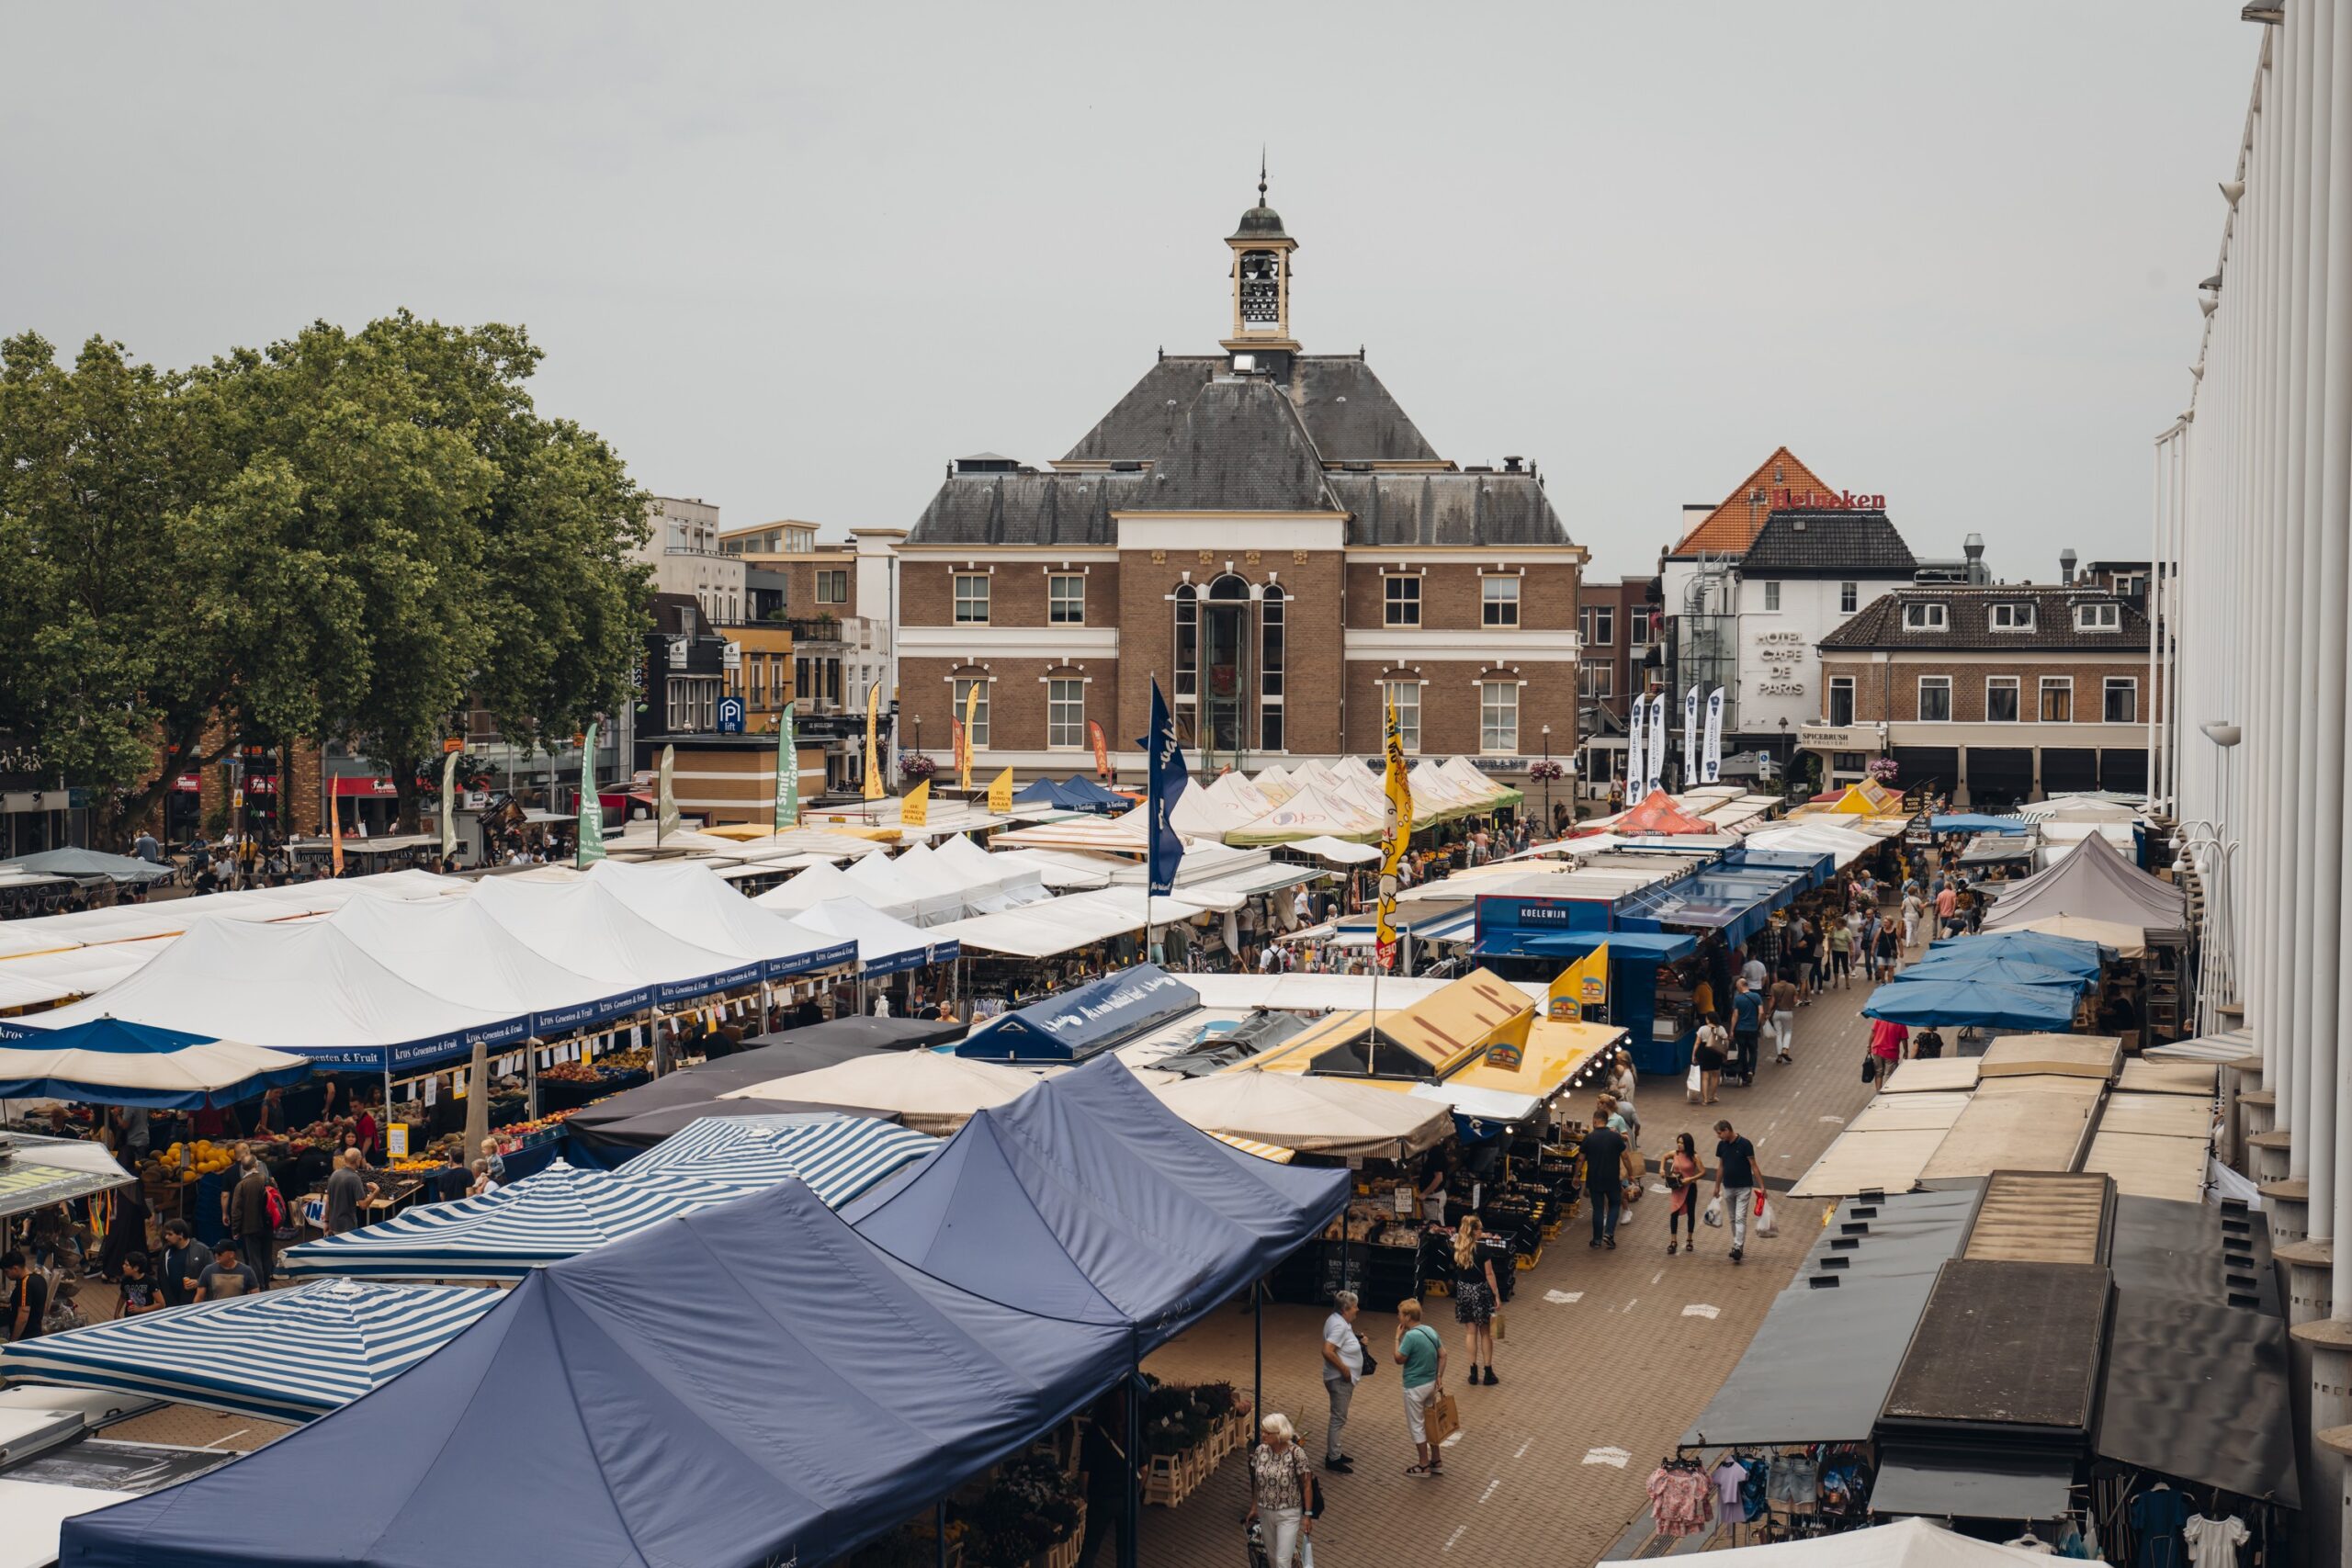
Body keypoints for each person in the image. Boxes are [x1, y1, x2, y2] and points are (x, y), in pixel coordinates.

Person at [1246, 1413, 1317, 1567]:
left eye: (1268, 1432)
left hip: (1288, 1513)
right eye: (1263, 1431)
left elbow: (1307, 1484)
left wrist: (1308, 1515)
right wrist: (1254, 1507)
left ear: (1280, 1433)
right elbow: (1257, 1482)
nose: (1263, 1435)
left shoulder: (1296, 1453)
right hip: (1265, 1512)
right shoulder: (1260, 1451)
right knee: (1272, 1558)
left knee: (1282, 1560)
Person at [1395, 1299, 1447, 1478]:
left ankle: (1423, 1465)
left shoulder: (1410, 1337)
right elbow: (1443, 1355)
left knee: (1417, 1425)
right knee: (1430, 1421)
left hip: (1414, 1387)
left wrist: (1397, 1338)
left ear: (1408, 1317)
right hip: (1430, 1385)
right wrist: (1439, 1376)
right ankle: (1436, 1460)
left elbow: (1398, 1358)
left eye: (1400, 1314)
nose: (1398, 1317)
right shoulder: (1430, 1330)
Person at [1319, 1290, 1365, 1472]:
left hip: (1339, 1379)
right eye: (1355, 1307)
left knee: (1338, 1417)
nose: (1357, 1309)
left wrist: (1357, 1341)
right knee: (1338, 1418)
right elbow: (1327, 1350)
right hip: (1339, 1379)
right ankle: (1333, 1458)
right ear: (1346, 1309)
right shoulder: (1339, 1325)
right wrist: (1344, 1369)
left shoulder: (1338, 1321)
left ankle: (1335, 1451)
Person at [1452, 1215, 1501, 1383]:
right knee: (1486, 1333)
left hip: (1464, 1291)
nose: (1482, 1231)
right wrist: (1496, 1295)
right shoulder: (1483, 1249)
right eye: (1480, 1229)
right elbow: (1489, 1274)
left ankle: (1473, 1373)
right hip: (1481, 1292)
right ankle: (1488, 1372)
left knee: (1470, 1332)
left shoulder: (1457, 1247)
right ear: (1473, 1231)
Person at [1712, 1118, 1760, 1265]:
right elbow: (1721, 1166)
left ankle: (1738, 1246)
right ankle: (1737, 1244)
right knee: (1733, 1218)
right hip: (1728, 1186)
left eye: (1719, 1133)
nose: (1718, 1136)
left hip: (1744, 1187)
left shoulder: (1745, 1144)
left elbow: (1754, 1165)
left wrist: (1762, 1186)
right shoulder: (1722, 1145)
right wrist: (1717, 1186)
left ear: (1727, 1130)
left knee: (1740, 1217)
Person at [1582, 1111, 1629, 1250]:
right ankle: (1609, 1234)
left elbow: (1580, 1159)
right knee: (1614, 1204)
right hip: (1612, 1179)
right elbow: (1625, 1157)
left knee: (1598, 1208)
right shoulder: (1615, 1137)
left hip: (1594, 1179)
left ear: (1595, 1120)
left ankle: (1597, 1240)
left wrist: (1576, 1176)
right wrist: (1631, 1173)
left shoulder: (1589, 1138)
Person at [1665, 1133, 1705, 1256]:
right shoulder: (1675, 1154)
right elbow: (1664, 1157)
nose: (1679, 1145)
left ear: (1688, 1144)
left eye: (1682, 1143)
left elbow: (1703, 1172)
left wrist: (1691, 1179)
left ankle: (1689, 1239)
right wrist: (1661, 1169)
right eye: (1678, 1142)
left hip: (1690, 1188)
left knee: (1691, 1213)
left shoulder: (1694, 1156)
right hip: (1677, 1188)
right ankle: (1673, 1241)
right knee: (1674, 1213)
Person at [157, 1221, 212, 1309]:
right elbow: (161, 1277)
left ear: (181, 1235)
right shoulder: (165, 1252)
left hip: (195, 1304)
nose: (166, 1237)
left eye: (170, 1234)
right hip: (171, 1304)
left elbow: (213, 1274)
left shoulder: (202, 1250)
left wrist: (198, 1282)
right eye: (166, 1234)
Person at [324, 1148, 379, 1235]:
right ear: (358, 1160)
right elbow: (363, 1205)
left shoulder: (334, 1174)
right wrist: (375, 1192)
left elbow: (328, 1201)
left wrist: (326, 1221)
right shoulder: (354, 1178)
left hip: (333, 1225)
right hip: (347, 1226)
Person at [2, 1249, 49, 1342]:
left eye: (6, 1272)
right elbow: (42, 1305)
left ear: (15, 1268)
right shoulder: (40, 1279)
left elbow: (23, 1318)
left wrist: (13, 1341)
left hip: (25, 1336)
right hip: (36, 1332)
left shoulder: (25, 1284)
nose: (6, 1275)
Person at [194, 1240, 259, 1301]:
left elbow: (256, 1296)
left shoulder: (247, 1271)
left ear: (231, 1254)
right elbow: (199, 1297)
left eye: (219, 1253)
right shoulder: (208, 1270)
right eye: (215, 1252)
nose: (216, 1255)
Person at [1729, 979, 1761, 1084]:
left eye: (1737, 986)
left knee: (1742, 1052)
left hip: (1740, 1029)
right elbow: (1761, 1012)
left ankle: (1744, 1074)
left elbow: (1735, 1015)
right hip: (1753, 1029)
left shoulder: (1737, 999)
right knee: (1753, 1051)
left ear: (1741, 986)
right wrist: (1757, 1024)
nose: (1737, 989)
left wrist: (1732, 1030)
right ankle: (1751, 1070)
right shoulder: (1756, 996)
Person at [1691, 1013, 1727, 1106]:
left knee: (1705, 1077)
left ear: (1708, 1019)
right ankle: (1712, 1096)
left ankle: (1705, 1099)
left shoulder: (1702, 1029)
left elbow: (1697, 1043)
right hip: (1716, 1052)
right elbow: (1726, 1041)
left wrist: (1693, 1055)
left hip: (1704, 1051)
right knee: (1715, 1076)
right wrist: (1725, 1054)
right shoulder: (1721, 1029)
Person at [1868, 1015, 1911, 1091]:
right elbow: (1904, 1039)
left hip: (1877, 1050)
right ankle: (1887, 1093)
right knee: (1889, 1075)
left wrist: (1869, 1045)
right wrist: (1906, 1051)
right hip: (1891, 1053)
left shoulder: (1880, 1018)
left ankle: (1878, 1092)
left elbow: (1873, 1032)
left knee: (1878, 1072)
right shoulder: (1900, 1022)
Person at [116, 1252, 164, 1317]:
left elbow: (161, 1304)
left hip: (146, 1318)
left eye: (127, 1265)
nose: (123, 1266)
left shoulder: (150, 1282)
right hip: (129, 1317)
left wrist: (141, 1309)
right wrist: (117, 1313)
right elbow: (123, 1296)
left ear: (136, 1268)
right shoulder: (125, 1280)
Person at [1767, 972, 1798, 1065]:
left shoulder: (1774, 986)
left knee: (1778, 1034)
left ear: (1779, 976)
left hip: (1777, 1012)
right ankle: (1785, 1049)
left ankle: (1779, 1056)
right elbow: (1795, 1001)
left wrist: (1768, 1012)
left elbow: (1772, 1000)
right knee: (1788, 1032)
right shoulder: (1792, 986)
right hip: (1788, 1012)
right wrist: (1791, 1004)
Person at [1826, 917, 1852, 988]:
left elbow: (1850, 942)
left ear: (1841, 923)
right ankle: (1836, 982)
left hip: (1844, 951)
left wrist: (1851, 951)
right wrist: (1829, 949)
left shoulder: (1847, 931)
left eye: (1837, 923)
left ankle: (1847, 983)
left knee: (1845, 966)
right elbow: (1830, 939)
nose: (1835, 925)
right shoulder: (1834, 929)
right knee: (1835, 967)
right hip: (1835, 950)